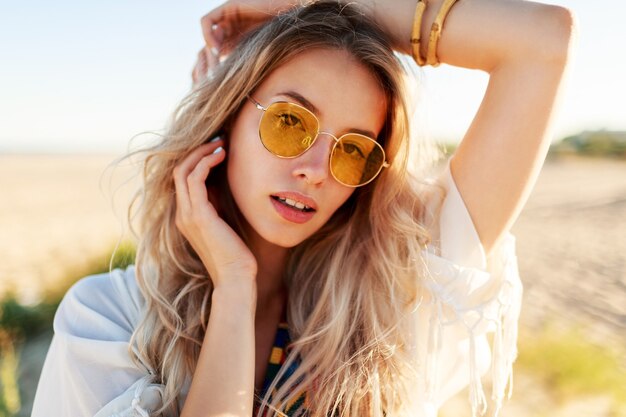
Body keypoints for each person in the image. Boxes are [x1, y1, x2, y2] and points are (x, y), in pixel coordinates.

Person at [31, 0, 576, 416]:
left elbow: (541, 42)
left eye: (354, 149)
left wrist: (316, 6)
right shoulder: (108, 322)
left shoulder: (391, 303)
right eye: (290, 122)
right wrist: (235, 284)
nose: (316, 169)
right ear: (225, 120)